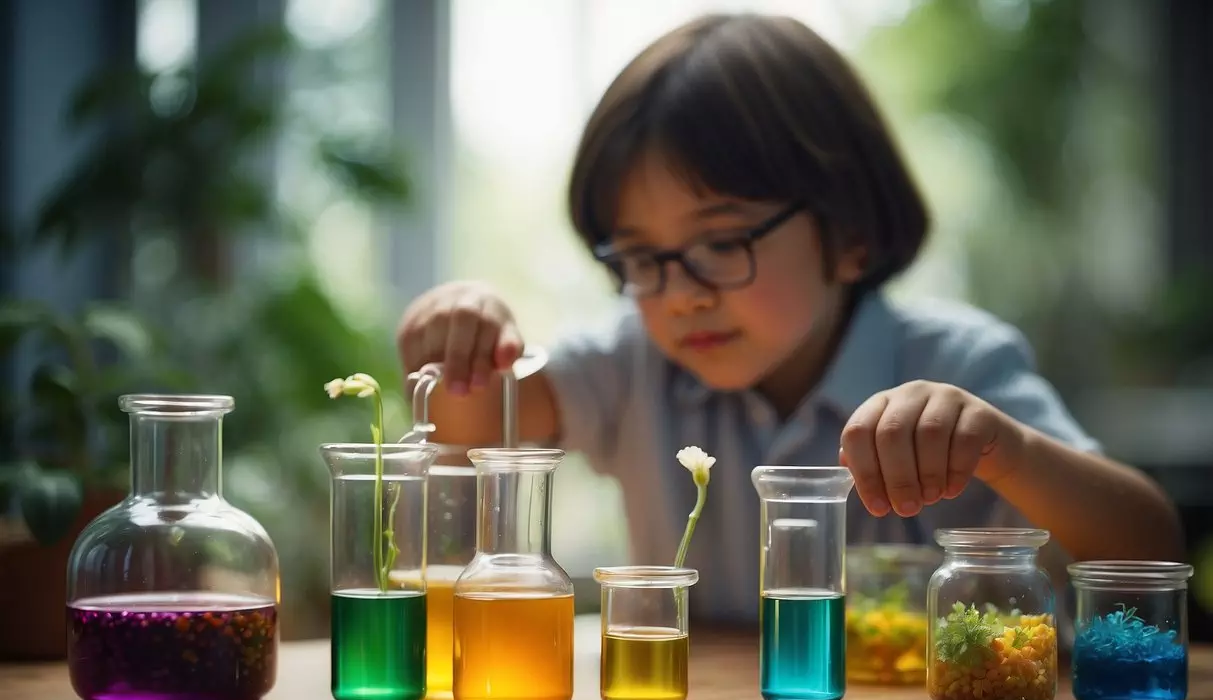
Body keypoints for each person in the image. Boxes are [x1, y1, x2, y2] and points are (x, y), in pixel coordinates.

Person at [396, 13, 1182, 622]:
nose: (681, 293)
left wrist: (1004, 449)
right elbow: (479, 435)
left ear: (847, 235)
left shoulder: (959, 365)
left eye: (721, 241)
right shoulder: (634, 359)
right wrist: (465, 346)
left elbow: (1146, 546)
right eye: (640, 257)